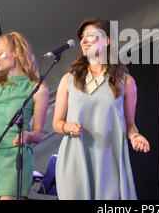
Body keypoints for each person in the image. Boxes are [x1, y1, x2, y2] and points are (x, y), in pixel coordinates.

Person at [53, 17, 150, 200]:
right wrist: (68, 127)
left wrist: (135, 136)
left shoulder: (126, 82)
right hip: (75, 159)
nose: (84, 41)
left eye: (90, 35)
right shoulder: (69, 79)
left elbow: (130, 124)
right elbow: (57, 123)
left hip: (109, 162)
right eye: (82, 37)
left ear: (107, 41)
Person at [0, 32, 49, 200]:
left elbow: (38, 134)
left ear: (16, 52)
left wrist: (27, 135)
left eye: (0, 53)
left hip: (17, 158)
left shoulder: (38, 89)